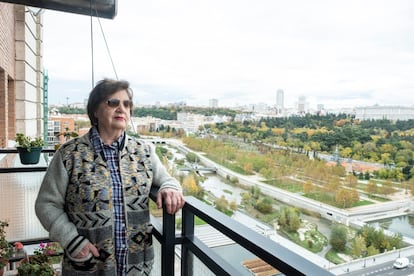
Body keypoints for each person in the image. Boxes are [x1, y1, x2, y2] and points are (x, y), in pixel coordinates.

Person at [35, 78, 185, 275]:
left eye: (127, 104)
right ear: (95, 111)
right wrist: (72, 240)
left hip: (137, 268)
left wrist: (170, 188)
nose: (122, 108)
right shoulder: (69, 154)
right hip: (87, 267)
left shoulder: (144, 152)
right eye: (113, 102)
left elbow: (166, 180)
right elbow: (46, 204)